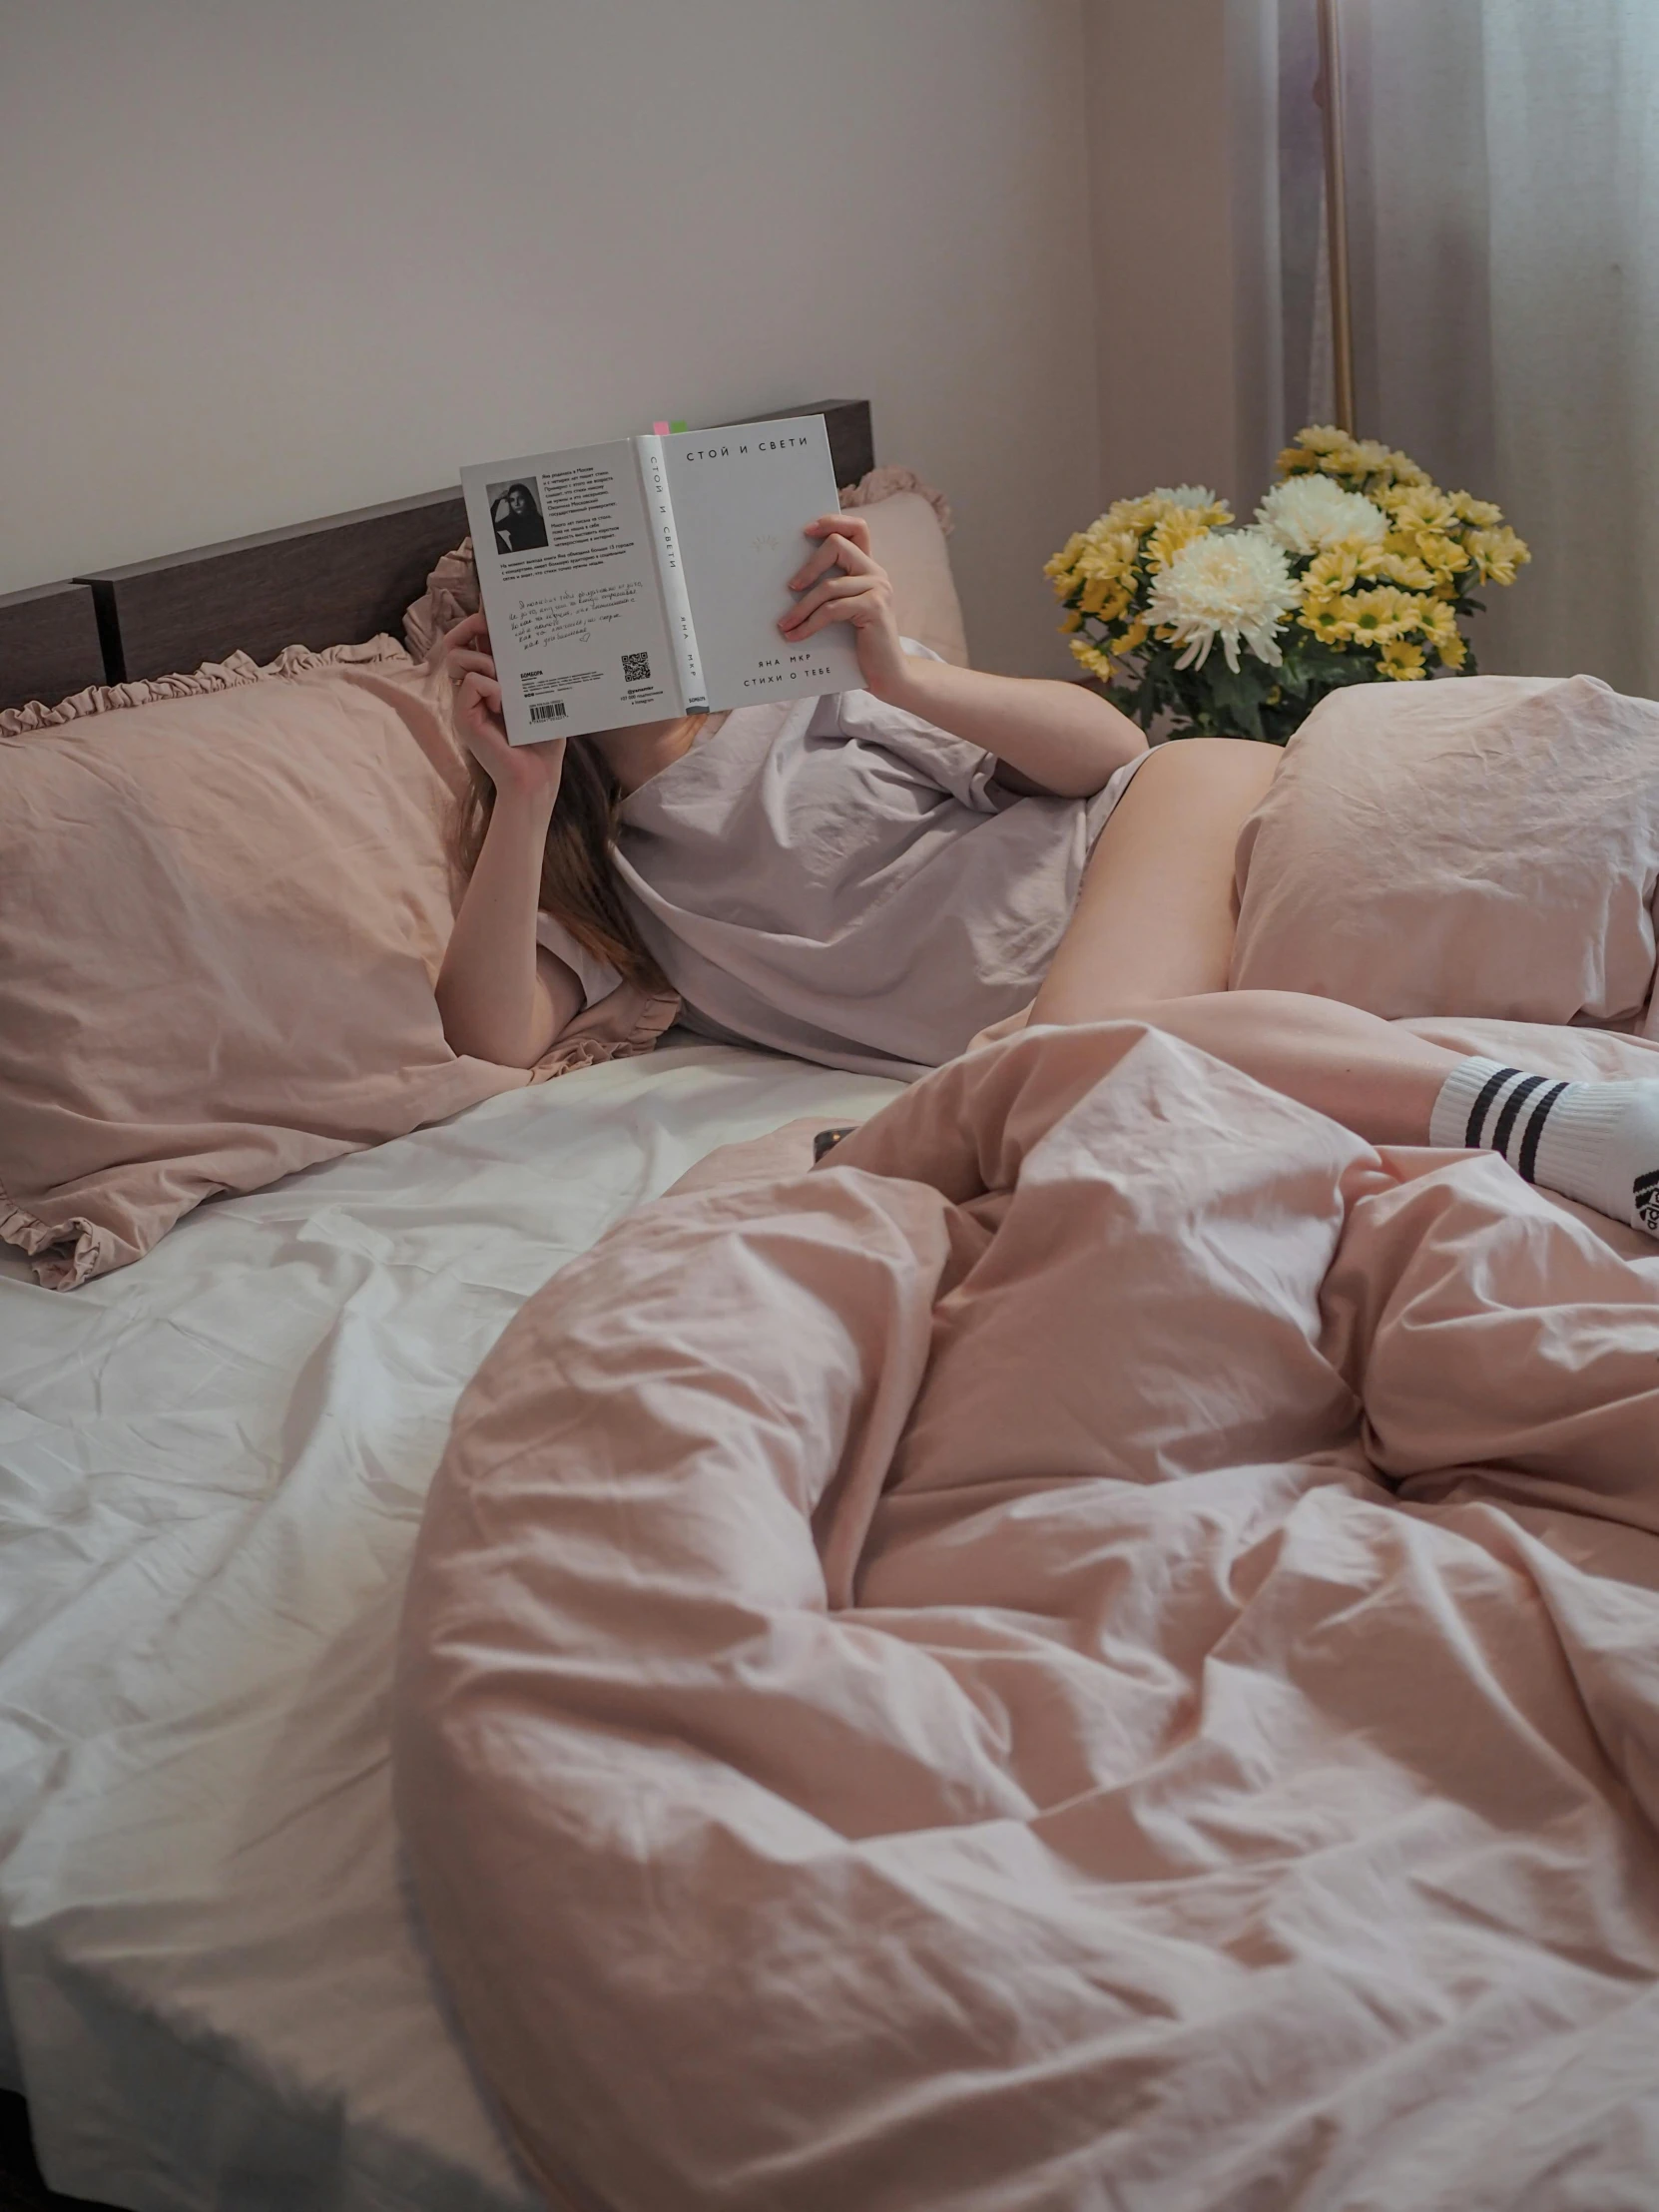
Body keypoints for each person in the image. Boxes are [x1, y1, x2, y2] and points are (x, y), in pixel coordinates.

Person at [437, 514, 1659, 1242]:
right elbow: (494, 1032)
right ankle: (1585, 1119)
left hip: (1182, 822)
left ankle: (1585, 1131)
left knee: (1050, 1069)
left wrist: (899, 675)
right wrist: (528, 785)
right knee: (1082, 1069)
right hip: (1180, 974)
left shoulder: (810, 691)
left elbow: (1110, 750)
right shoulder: (592, 870)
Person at [491, 482, 547, 555]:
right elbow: (488, 526)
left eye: (520, 498)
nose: (516, 504)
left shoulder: (540, 521)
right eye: (512, 500)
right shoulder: (510, 521)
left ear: (527, 499)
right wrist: (497, 501)